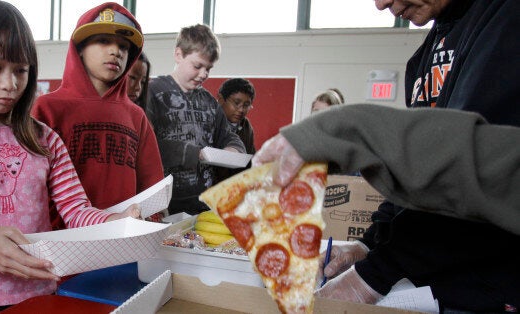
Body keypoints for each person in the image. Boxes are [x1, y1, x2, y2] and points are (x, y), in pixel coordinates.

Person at [254, 0, 520, 312]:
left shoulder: (506, 20)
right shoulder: (430, 48)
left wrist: (373, 275)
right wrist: (368, 243)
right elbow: (418, 180)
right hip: (431, 286)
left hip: (486, 292)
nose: (381, 5)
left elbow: (477, 178)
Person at [0, 1, 139, 312]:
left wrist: (116, 221)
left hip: (38, 297)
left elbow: (76, 211)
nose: (11, 84)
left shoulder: (44, 139)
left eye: (21, 70)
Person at [32, 3, 164, 228]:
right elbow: (30, 187)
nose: (115, 51)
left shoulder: (136, 116)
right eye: (103, 41)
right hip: (60, 240)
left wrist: (149, 224)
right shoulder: (48, 108)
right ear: (80, 48)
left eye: (124, 47)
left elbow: (152, 185)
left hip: (123, 239)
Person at [146, 24, 245, 215]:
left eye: (209, 68)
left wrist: (232, 150)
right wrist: (195, 153)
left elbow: (228, 136)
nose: (204, 74)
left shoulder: (208, 101)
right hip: (165, 204)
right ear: (178, 55)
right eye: (197, 66)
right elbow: (147, 145)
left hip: (202, 202)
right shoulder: (153, 92)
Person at [214, 78, 256, 183]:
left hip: (233, 189)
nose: (241, 110)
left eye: (246, 105)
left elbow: (250, 159)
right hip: (207, 191)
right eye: (236, 103)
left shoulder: (246, 126)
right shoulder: (206, 122)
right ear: (220, 99)